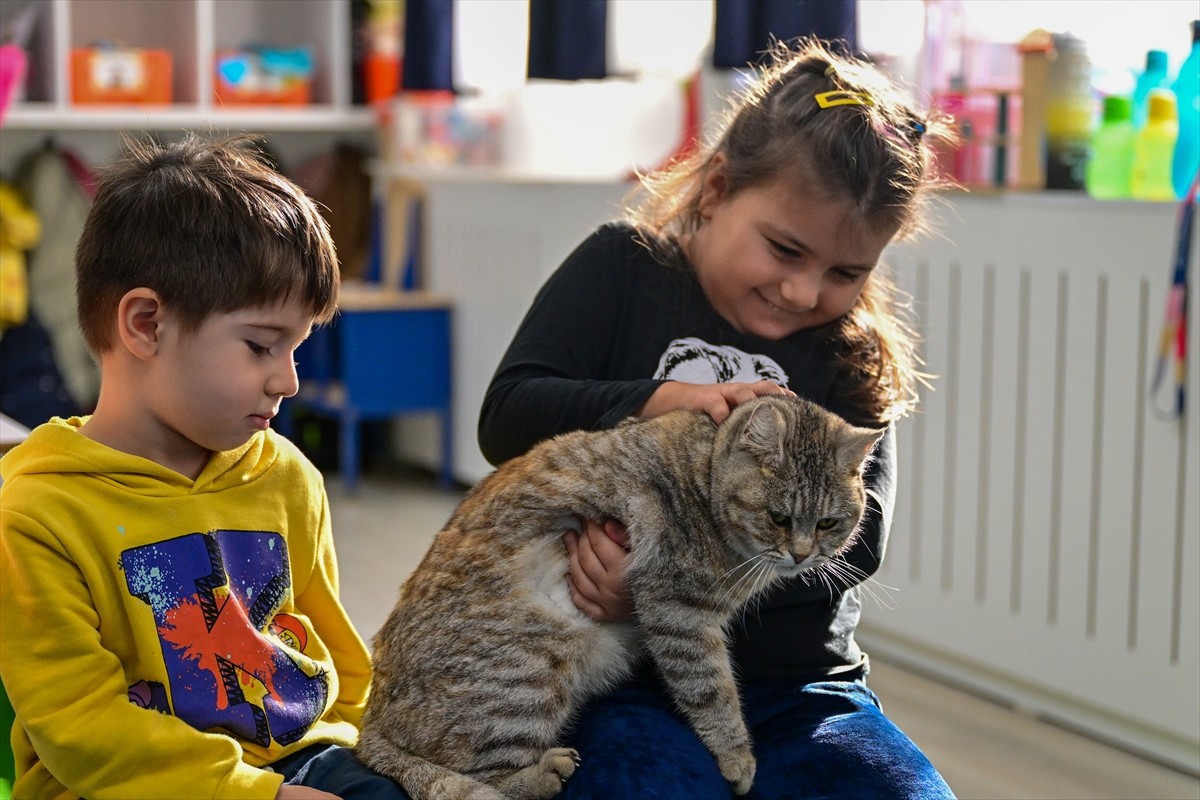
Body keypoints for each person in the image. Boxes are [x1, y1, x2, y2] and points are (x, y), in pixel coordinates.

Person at [479, 38, 958, 799]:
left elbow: (860, 543)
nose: (804, 292)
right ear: (717, 190)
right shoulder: (622, 268)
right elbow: (507, 415)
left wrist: (667, 588)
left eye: (846, 272)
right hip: (620, 675)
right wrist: (654, 400)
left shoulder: (854, 352)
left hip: (800, 688)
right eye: (784, 249)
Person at [0, 134, 410, 800]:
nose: (289, 381)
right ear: (145, 325)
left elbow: (338, 661)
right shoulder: (40, 512)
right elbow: (80, 728)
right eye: (260, 345)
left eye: (297, 349)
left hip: (297, 756)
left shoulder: (287, 476)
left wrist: (385, 757)